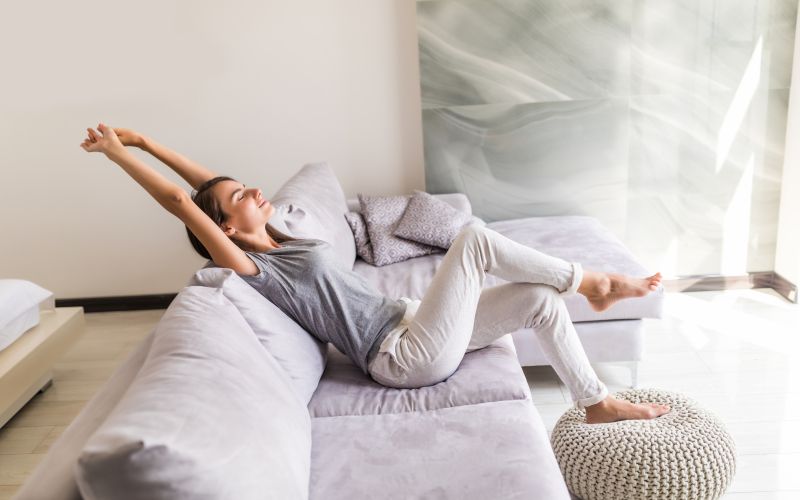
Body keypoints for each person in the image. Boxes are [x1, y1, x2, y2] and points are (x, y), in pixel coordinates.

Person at [80, 123, 670, 424]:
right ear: (226, 231)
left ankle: (592, 400)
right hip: (402, 358)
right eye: (241, 196)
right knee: (473, 240)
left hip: (415, 326)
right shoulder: (253, 265)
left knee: (540, 300)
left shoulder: (279, 233)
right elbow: (188, 203)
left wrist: (147, 138)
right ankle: (594, 282)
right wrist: (119, 155)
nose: (255, 189)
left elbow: (207, 188)